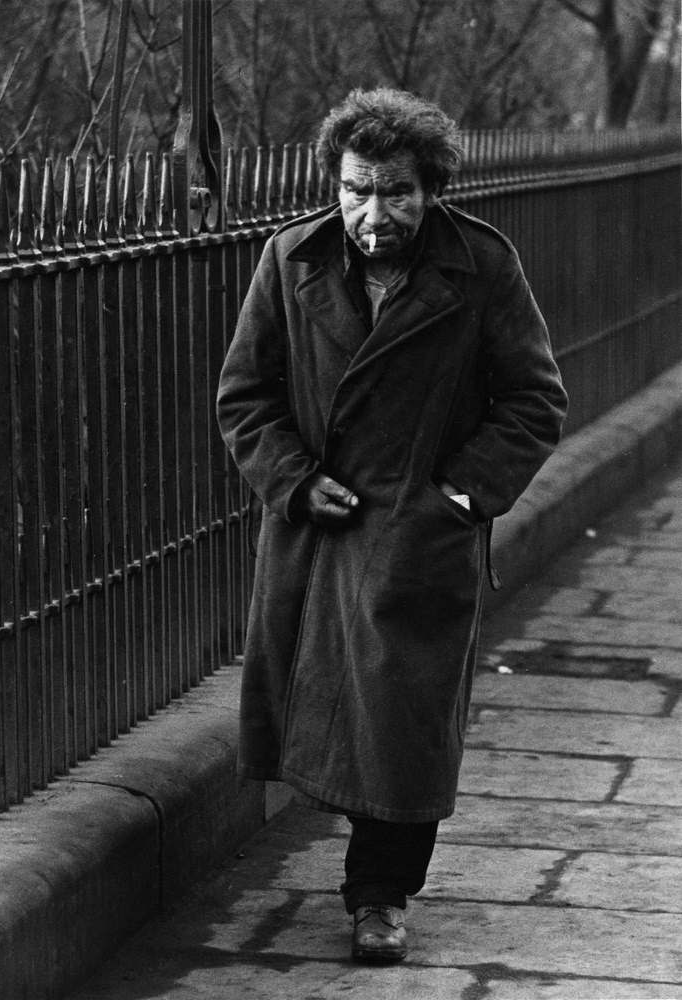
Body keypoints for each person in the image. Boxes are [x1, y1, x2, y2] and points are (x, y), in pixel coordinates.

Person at [216, 87, 568, 963]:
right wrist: (293, 481)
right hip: (317, 535)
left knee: (405, 730)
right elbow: (246, 396)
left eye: (397, 193)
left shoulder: (481, 267)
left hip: (419, 536)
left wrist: (458, 498)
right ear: (336, 184)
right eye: (356, 190)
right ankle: (368, 876)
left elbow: (533, 400)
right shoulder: (289, 260)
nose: (375, 214)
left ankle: (380, 897)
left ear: (431, 187)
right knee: (325, 715)